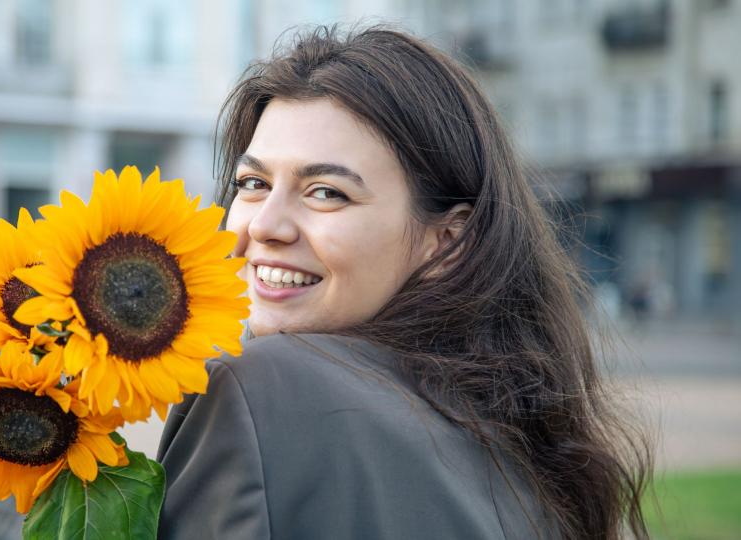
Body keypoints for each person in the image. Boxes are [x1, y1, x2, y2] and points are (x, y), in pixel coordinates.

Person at [157, 25, 652, 540]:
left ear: (446, 241)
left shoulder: (257, 388)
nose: (264, 225)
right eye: (253, 184)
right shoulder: (524, 446)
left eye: (326, 193)